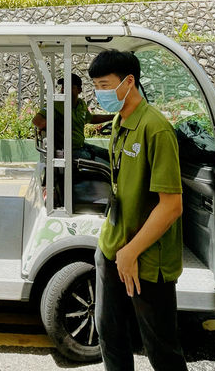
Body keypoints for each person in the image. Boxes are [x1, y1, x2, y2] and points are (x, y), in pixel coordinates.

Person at [88, 50, 187, 371]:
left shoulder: (155, 129)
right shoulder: (120, 121)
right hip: (113, 248)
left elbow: (171, 206)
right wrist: (114, 249)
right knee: (110, 336)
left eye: (105, 85)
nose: (99, 94)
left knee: (161, 351)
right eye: (96, 87)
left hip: (146, 259)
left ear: (129, 82)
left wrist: (131, 252)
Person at [32, 73, 114, 162]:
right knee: (104, 165)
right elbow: (37, 121)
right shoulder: (56, 104)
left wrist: (114, 117)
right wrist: (50, 126)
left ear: (79, 90)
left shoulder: (81, 104)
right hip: (68, 151)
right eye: (63, 87)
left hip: (81, 146)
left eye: (69, 87)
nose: (64, 89)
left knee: (110, 155)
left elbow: (90, 118)